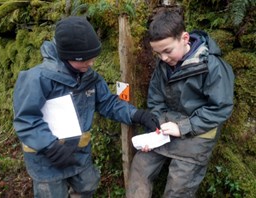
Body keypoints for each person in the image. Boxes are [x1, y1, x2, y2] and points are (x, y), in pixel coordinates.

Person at [13, 16, 159, 198]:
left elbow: (108, 102)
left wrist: (137, 114)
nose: (90, 64)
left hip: (78, 156)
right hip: (46, 160)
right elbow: (26, 119)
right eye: (85, 60)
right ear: (67, 56)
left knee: (87, 188)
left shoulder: (90, 77)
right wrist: (49, 146)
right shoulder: (37, 79)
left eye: (93, 58)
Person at [126, 10, 234, 198]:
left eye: (167, 51)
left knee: (177, 189)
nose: (163, 58)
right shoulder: (164, 65)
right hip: (167, 128)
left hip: (198, 133)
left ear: (185, 38)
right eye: (158, 53)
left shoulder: (212, 66)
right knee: (140, 167)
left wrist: (184, 127)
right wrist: (157, 125)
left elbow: (220, 108)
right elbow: (155, 98)